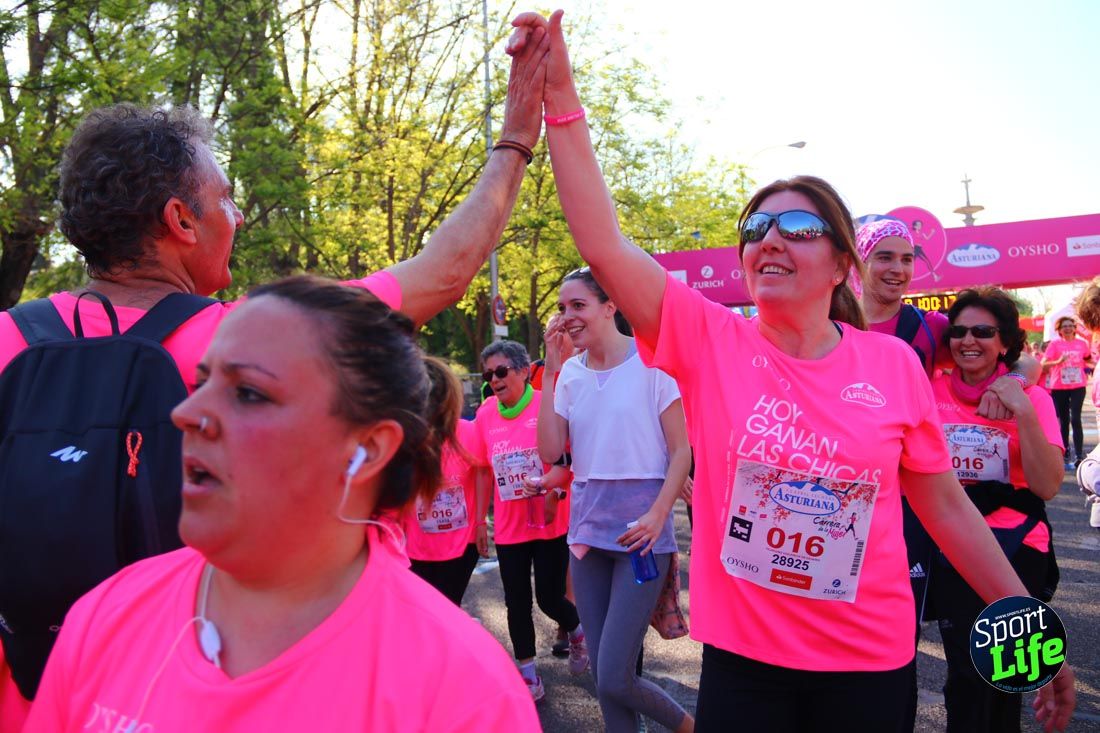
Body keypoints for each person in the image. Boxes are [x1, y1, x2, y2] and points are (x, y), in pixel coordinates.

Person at [505, 11, 1077, 732]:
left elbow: (948, 510)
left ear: (842, 262)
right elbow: (602, 239)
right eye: (755, 228)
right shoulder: (709, 339)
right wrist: (560, 97)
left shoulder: (893, 364)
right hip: (747, 667)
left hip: (870, 664)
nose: (770, 238)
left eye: (799, 228)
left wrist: (1033, 631)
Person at [0, 26, 549, 722]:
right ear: (181, 220)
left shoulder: (8, 343)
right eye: (225, 197)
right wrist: (516, 137)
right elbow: (449, 266)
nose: (199, 408)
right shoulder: (261, 340)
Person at [22, 275, 540, 731]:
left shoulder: (463, 693)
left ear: (367, 449)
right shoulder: (107, 614)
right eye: (203, 382)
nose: (185, 412)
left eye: (248, 392)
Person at [537, 267, 693, 733]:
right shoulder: (569, 377)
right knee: (609, 681)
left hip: (643, 534)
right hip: (586, 534)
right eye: (562, 308)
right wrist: (550, 371)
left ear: (610, 306)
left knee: (613, 675)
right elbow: (550, 452)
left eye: (578, 305)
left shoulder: (652, 364)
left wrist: (659, 512)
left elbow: (682, 449)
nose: (567, 318)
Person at [929, 287, 1065, 732]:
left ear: (1005, 341)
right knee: (967, 674)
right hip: (952, 545)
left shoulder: (1033, 399)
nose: (969, 340)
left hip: (1018, 544)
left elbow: (1046, 485)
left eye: (983, 332)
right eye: (960, 331)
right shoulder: (928, 390)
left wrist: (1022, 408)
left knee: (1005, 676)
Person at [472, 339, 586, 701]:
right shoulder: (485, 414)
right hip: (509, 527)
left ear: (523, 370)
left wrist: (554, 492)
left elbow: (568, 460)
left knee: (550, 598)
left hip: (549, 519)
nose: (495, 379)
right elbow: (481, 471)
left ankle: (578, 631)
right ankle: (527, 675)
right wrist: (478, 522)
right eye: (489, 374)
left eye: (502, 371)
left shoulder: (546, 404)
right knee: (516, 601)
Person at [402, 358, 485, 606]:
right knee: (424, 613)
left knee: (447, 605)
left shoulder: (469, 432)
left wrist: (480, 521)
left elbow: (483, 472)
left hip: (461, 543)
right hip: (415, 546)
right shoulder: (404, 438)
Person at [1042, 316, 1093, 469]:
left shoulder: (1082, 344)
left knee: (1075, 418)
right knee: (1064, 421)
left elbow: (1088, 360)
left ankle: (1078, 455)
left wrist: (1093, 366)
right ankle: (1065, 453)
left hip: (1078, 385)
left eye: (1071, 325)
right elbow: (1043, 364)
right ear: (1059, 329)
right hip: (1059, 386)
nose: (1068, 328)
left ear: (1074, 328)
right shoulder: (1055, 345)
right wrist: (1058, 362)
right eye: (1065, 326)